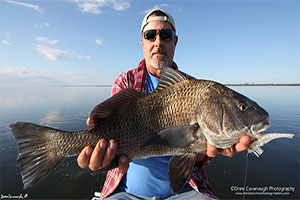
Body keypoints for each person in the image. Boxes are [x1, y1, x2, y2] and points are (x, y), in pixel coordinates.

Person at [77, 9, 251, 200]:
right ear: (142, 42)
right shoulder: (125, 81)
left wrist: (204, 153)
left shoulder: (195, 87)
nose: (158, 42)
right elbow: (107, 130)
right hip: (126, 193)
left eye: (166, 35)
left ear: (175, 41)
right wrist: (102, 158)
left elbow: (198, 156)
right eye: (150, 35)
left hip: (186, 190)